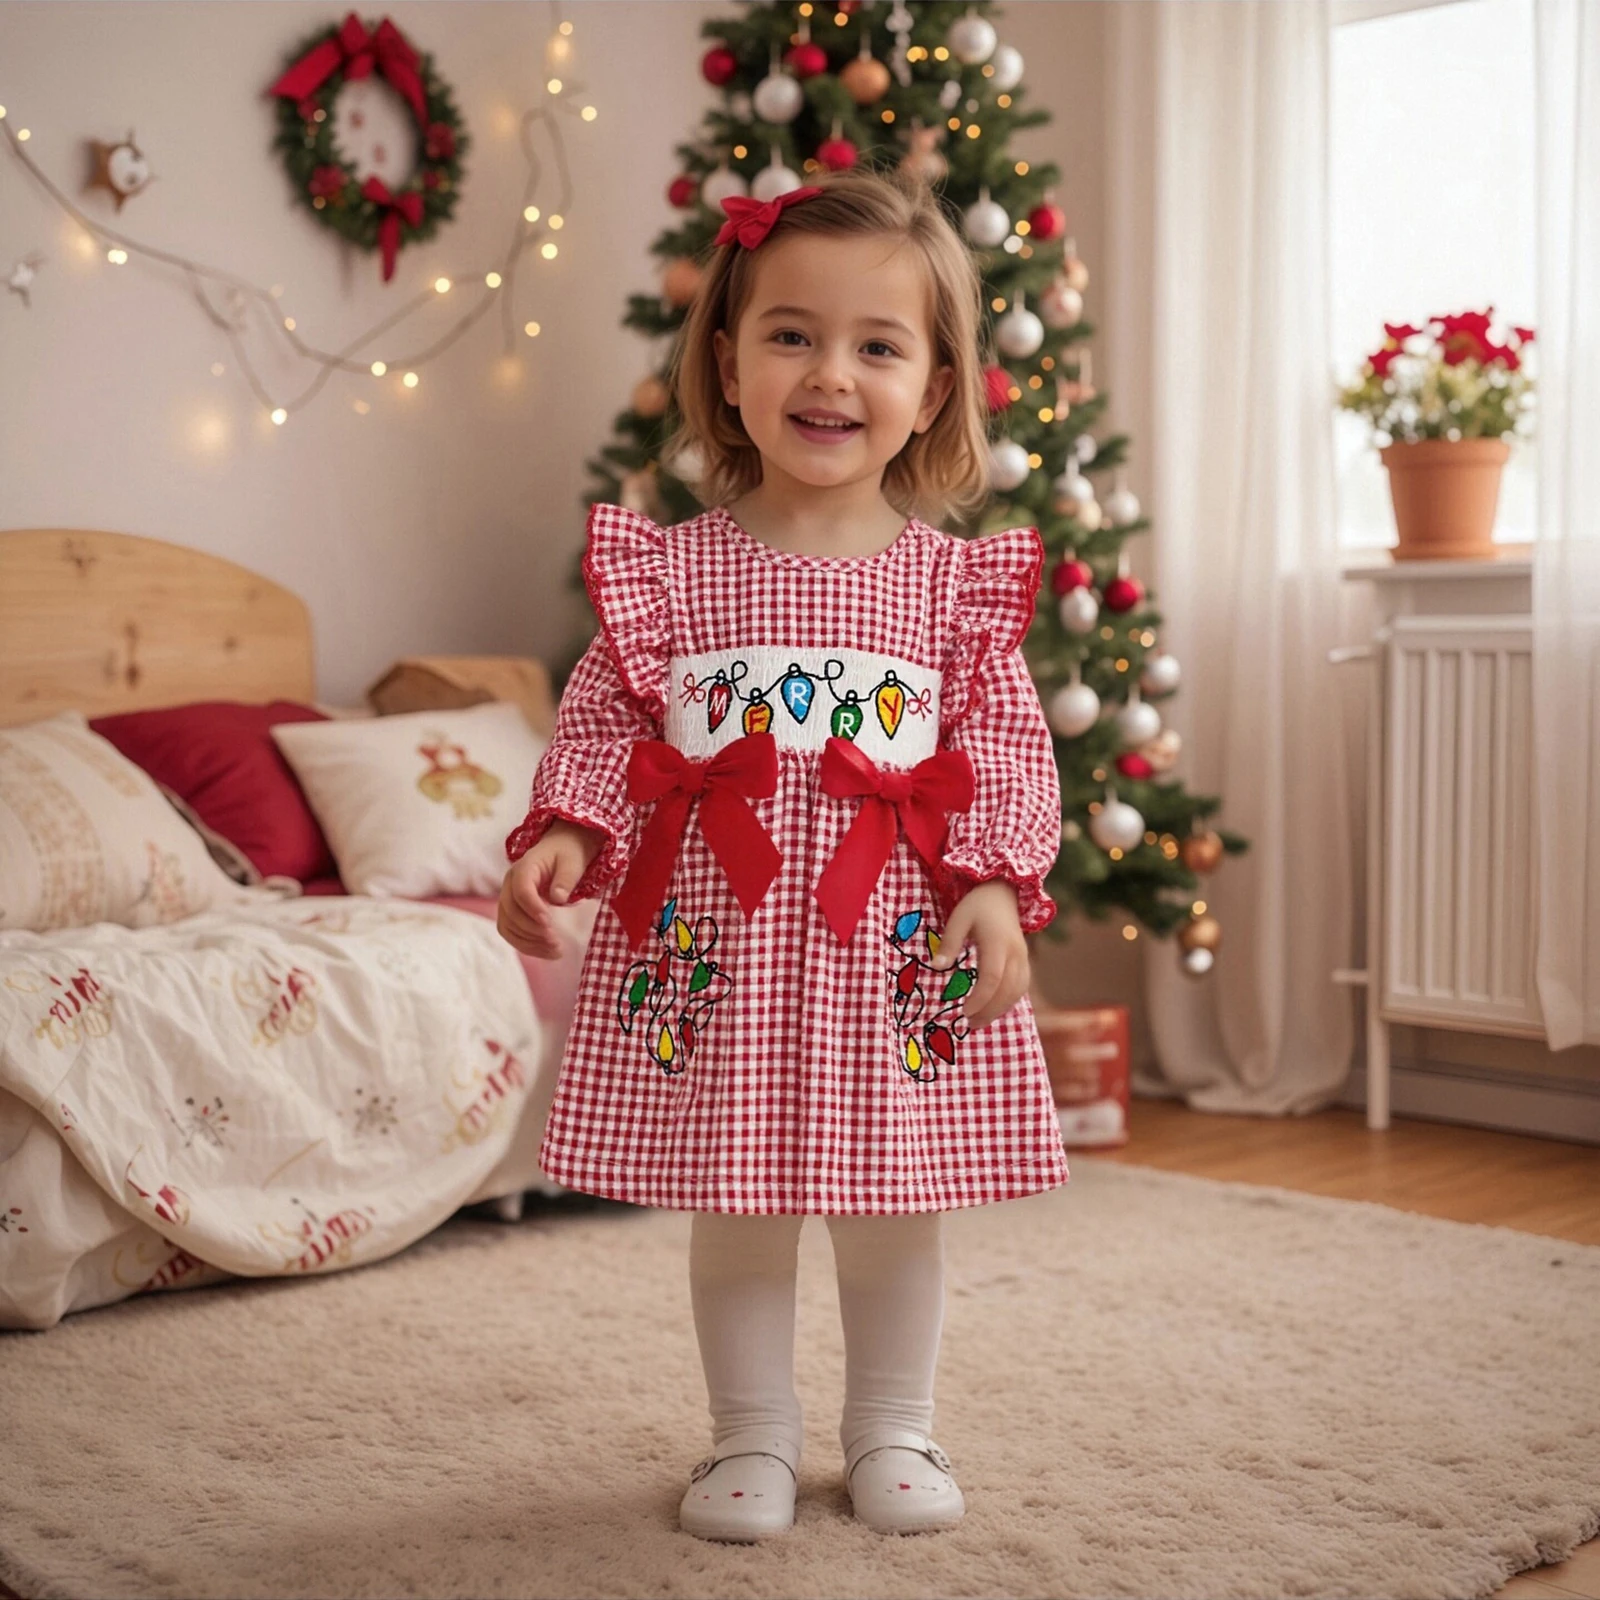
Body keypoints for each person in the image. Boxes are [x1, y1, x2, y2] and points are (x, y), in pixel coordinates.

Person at [498, 170, 1068, 1543]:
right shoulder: (674, 572)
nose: (832, 374)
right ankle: (747, 1436)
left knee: (893, 1209)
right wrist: (572, 825)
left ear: (932, 390)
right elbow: (610, 715)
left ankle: (894, 1428)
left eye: (879, 346)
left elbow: (1000, 741)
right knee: (739, 1208)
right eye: (792, 335)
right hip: (725, 951)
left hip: (891, 953)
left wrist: (991, 881)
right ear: (731, 365)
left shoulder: (948, 586)